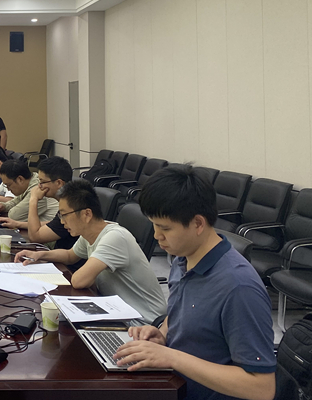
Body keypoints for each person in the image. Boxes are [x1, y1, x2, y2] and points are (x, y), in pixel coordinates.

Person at [113, 165, 276, 400]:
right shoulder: (183, 259)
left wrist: (172, 357)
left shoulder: (239, 287)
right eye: (154, 225)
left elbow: (262, 388)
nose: (157, 236)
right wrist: (162, 335)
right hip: (173, 384)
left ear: (198, 223)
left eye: (165, 228)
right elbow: (183, 313)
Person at [15, 179, 166, 324]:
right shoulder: (91, 234)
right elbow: (69, 256)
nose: (62, 221)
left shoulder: (115, 238)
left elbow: (79, 281)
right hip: (116, 310)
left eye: (64, 215)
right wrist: (40, 254)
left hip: (142, 321)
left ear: (87, 214)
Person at [23, 156, 81, 251]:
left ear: (59, 183)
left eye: (42, 182)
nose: (39, 186)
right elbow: (54, 224)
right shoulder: (72, 197)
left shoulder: (71, 207)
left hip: (66, 259)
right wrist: (17, 224)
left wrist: (33, 199)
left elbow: (34, 237)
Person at [0, 159, 58, 229]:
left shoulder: (37, 188)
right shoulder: (29, 181)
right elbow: (16, 201)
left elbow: (14, 216)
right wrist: (3, 206)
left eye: (9, 185)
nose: (8, 189)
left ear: (20, 179)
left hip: (51, 232)